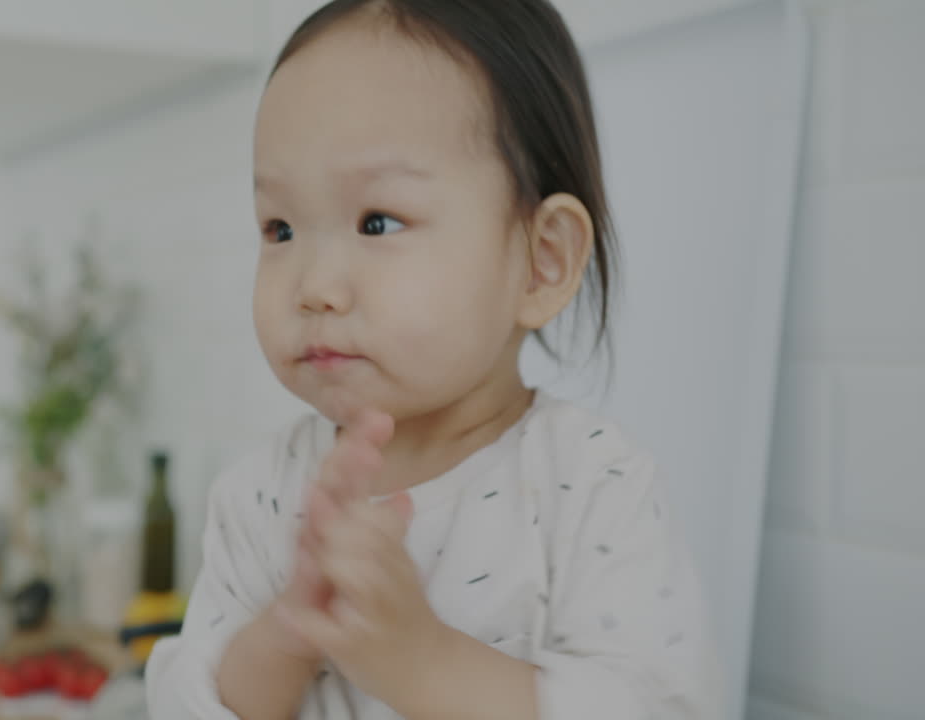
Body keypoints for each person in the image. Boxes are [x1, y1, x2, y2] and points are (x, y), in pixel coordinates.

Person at [145, 1, 722, 717]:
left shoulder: (594, 487)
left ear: (541, 262)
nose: (315, 286)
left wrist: (420, 661)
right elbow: (183, 703)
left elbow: (657, 707)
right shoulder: (260, 496)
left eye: (377, 222)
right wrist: (285, 636)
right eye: (281, 226)